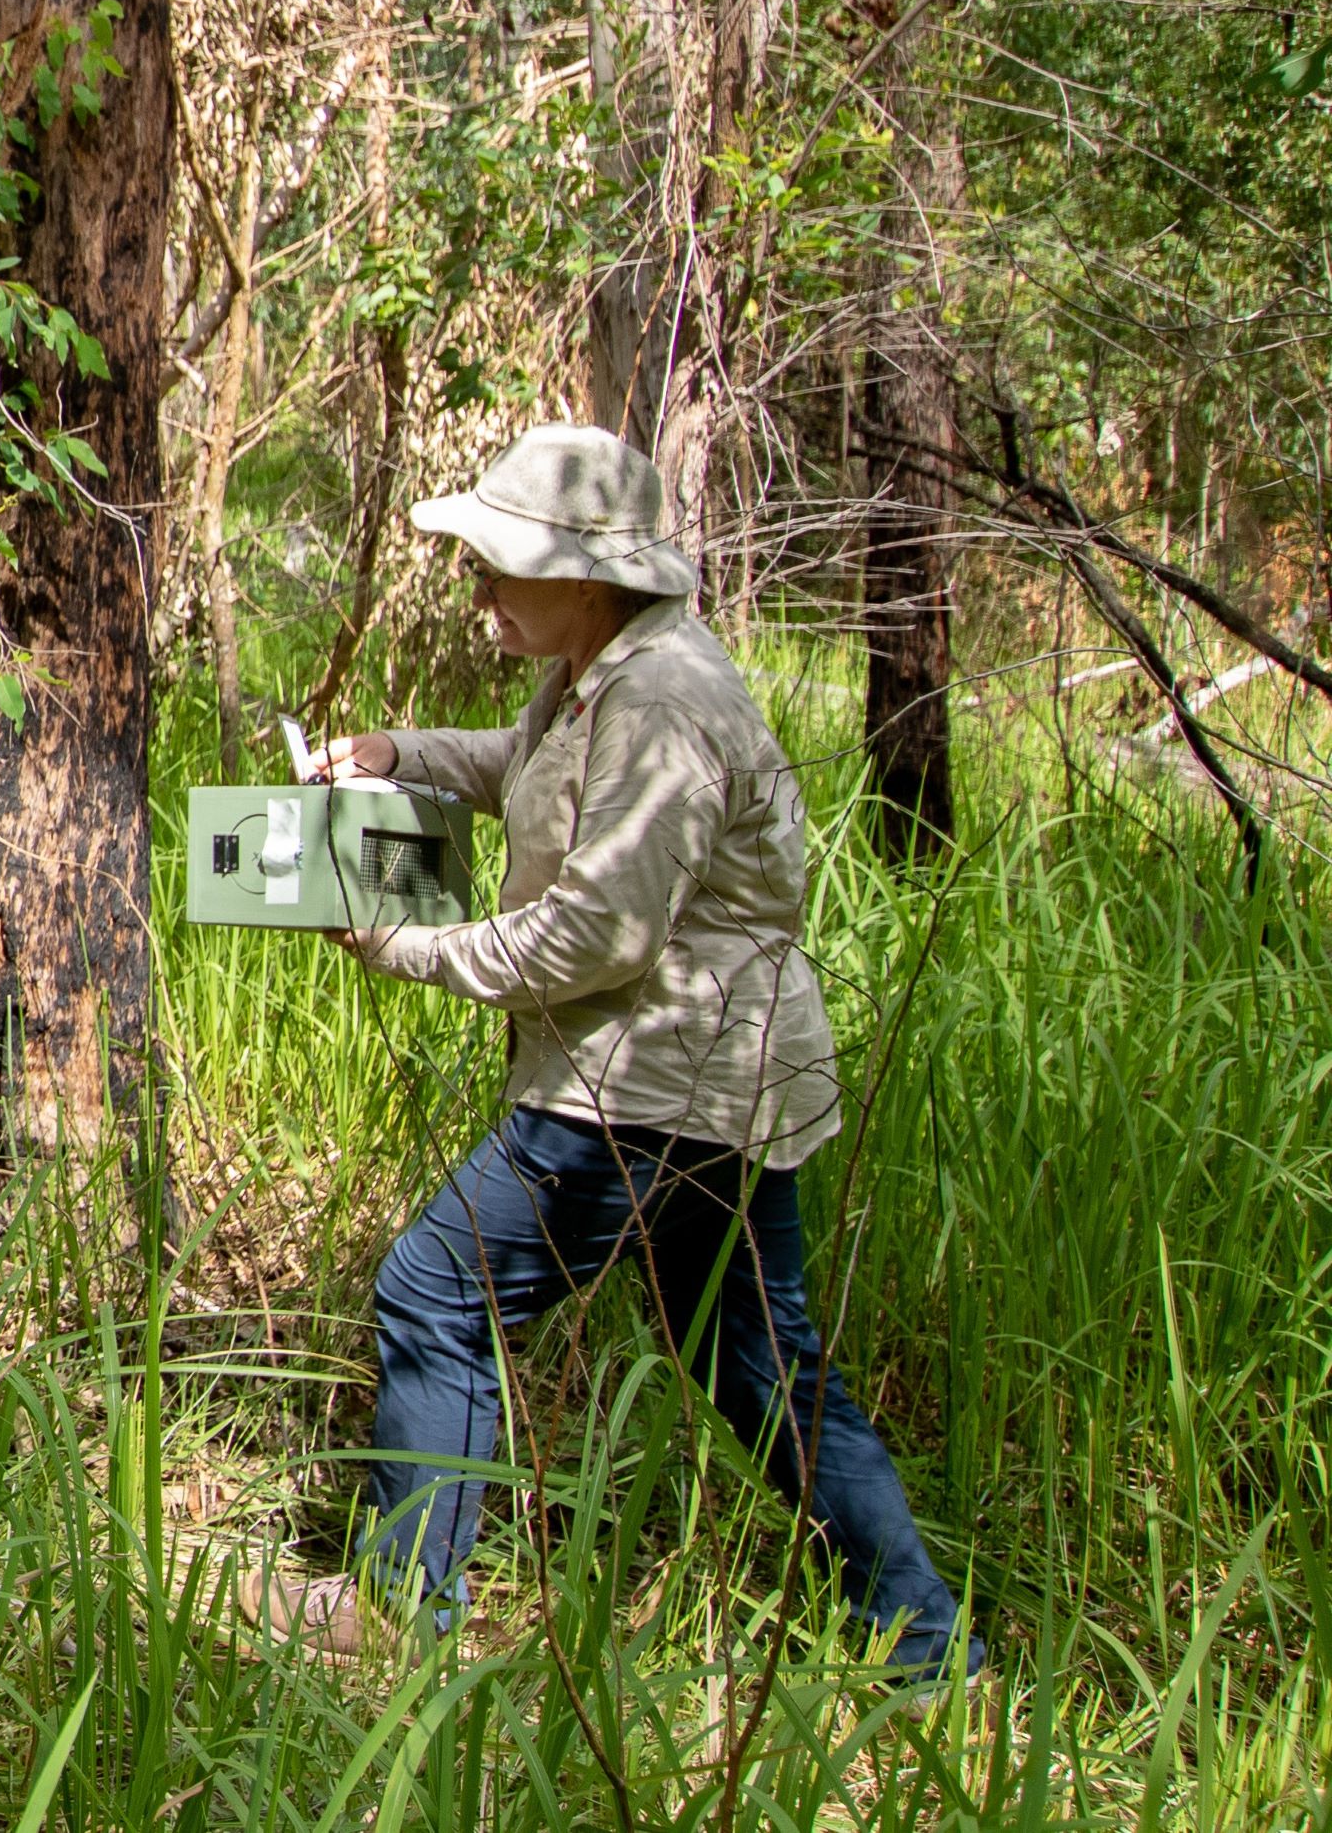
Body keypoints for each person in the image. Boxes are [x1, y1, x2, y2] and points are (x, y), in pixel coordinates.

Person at [270, 422, 979, 1685]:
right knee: (761, 1369)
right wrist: (397, 755)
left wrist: (400, 944)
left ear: (586, 575)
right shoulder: (601, 669)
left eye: (500, 563)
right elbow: (528, 771)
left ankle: (399, 1603)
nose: (478, 585)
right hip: (709, 1082)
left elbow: (595, 935)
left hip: (644, 1084)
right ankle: (928, 1650)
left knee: (436, 1289)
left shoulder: (659, 702)